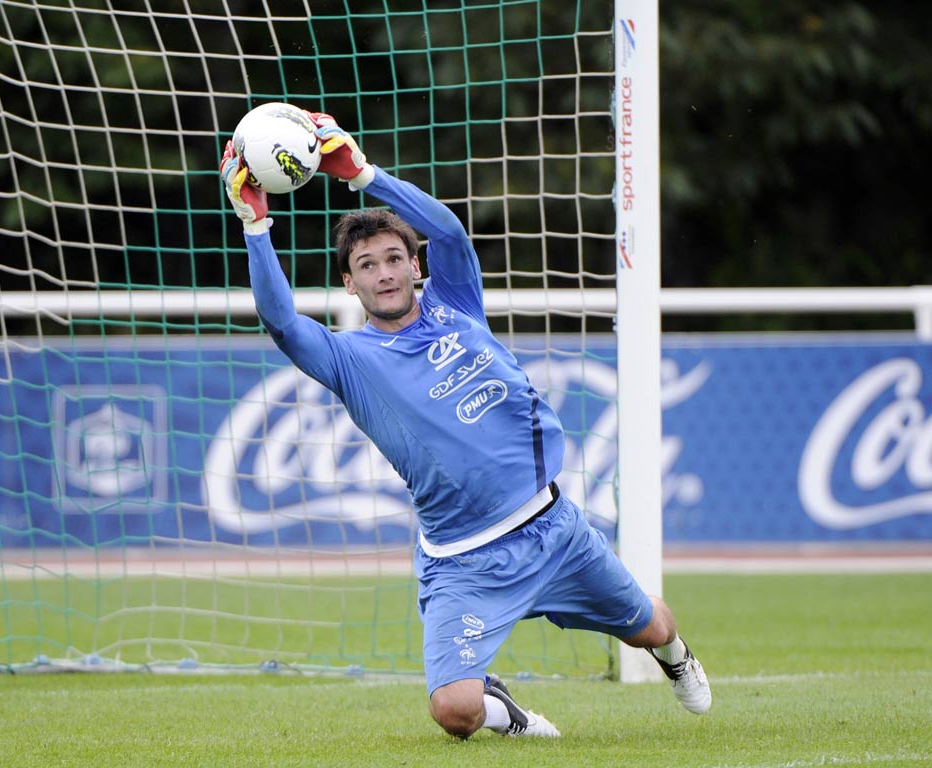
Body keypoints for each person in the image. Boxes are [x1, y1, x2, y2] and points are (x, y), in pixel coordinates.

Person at [219, 112, 711, 739]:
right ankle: (509, 714)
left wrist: (363, 173)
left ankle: (677, 658)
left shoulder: (456, 302)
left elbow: (448, 230)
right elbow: (282, 321)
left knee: (651, 626)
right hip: (463, 562)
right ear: (349, 282)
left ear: (416, 267)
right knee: (455, 712)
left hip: (554, 529)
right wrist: (256, 226)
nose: (385, 272)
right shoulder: (348, 358)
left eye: (395, 258)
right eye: (367, 265)